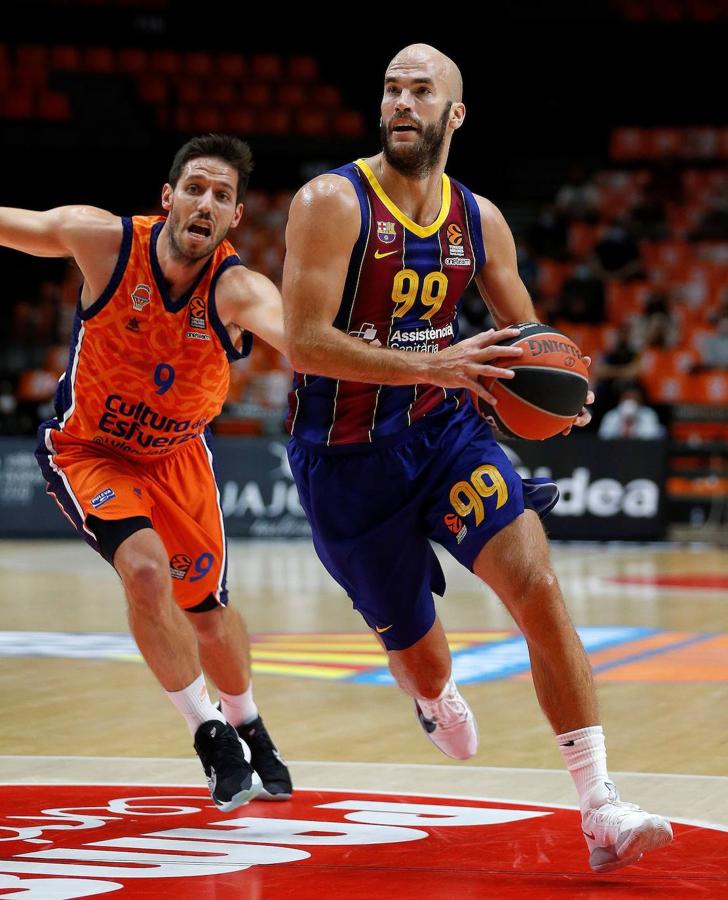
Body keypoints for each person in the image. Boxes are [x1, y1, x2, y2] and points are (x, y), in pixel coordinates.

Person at [282, 44, 672, 873]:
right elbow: (306, 346)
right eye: (391, 89)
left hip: (444, 435)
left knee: (535, 581)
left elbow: (527, 341)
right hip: (346, 462)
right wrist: (435, 363)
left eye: (422, 91)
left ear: (454, 115)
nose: (401, 103)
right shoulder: (330, 202)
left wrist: (555, 386)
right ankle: (432, 693)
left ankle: (600, 804)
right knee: (424, 661)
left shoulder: (478, 219)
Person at [0, 134, 292, 812]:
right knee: (145, 572)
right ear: (168, 197)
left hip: (178, 458)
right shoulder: (102, 241)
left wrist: (430, 370)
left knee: (211, 618)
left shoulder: (239, 289)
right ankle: (209, 732)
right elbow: (21, 226)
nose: (205, 202)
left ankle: (249, 722)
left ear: (235, 218)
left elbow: (301, 340)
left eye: (222, 195)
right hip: (90, 449)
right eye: (195, 187)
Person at [598, 383, 665, 439]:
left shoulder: (648, 414)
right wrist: (622, 421)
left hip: (641, 450)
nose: (630, 401)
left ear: (640, 399)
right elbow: (603, 436)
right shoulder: (611, 415)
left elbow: (650, 436)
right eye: (627, 398)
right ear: (621, 399)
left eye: (634, 398)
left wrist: (634, 420)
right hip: (615, 450)